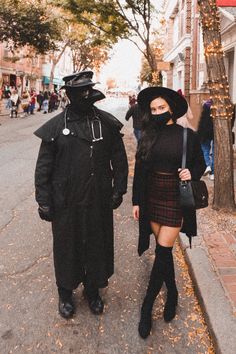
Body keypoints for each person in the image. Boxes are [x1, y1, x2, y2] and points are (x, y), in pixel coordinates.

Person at [34, 70, 128, 319]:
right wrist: (43, 201)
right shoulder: (56, 127)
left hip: (98, 200)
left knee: (97, 244)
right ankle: (65, 292)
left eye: (88, 92)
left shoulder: (106, 123)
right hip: (65, 202)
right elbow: (43, 167)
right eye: (80, 93)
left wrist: (119, 189)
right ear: (70, 95)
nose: (85, 96)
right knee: (67, 246)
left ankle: (92, 289)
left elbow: (119, 159)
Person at [132, 86, 206, 339]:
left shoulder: (188, 136)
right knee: (164, 254)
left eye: (161, 108)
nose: (157, 112)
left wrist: (191, 173)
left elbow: (200, 163)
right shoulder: (147, 136)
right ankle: (172, 292)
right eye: (153, 109)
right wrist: (136, 202)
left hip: (175, 198)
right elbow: (140, 172)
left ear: (171, 108)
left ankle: (147, 306)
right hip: (152, 197)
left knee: (163, 249)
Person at [198, 99, 214, 180]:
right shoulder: (221, 106)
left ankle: (207, 166)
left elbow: (202, 121)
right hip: (215, 131)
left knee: (205, 150)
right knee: (215, 152)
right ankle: (212, 173)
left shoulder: (206, 106)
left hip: (205, 132)